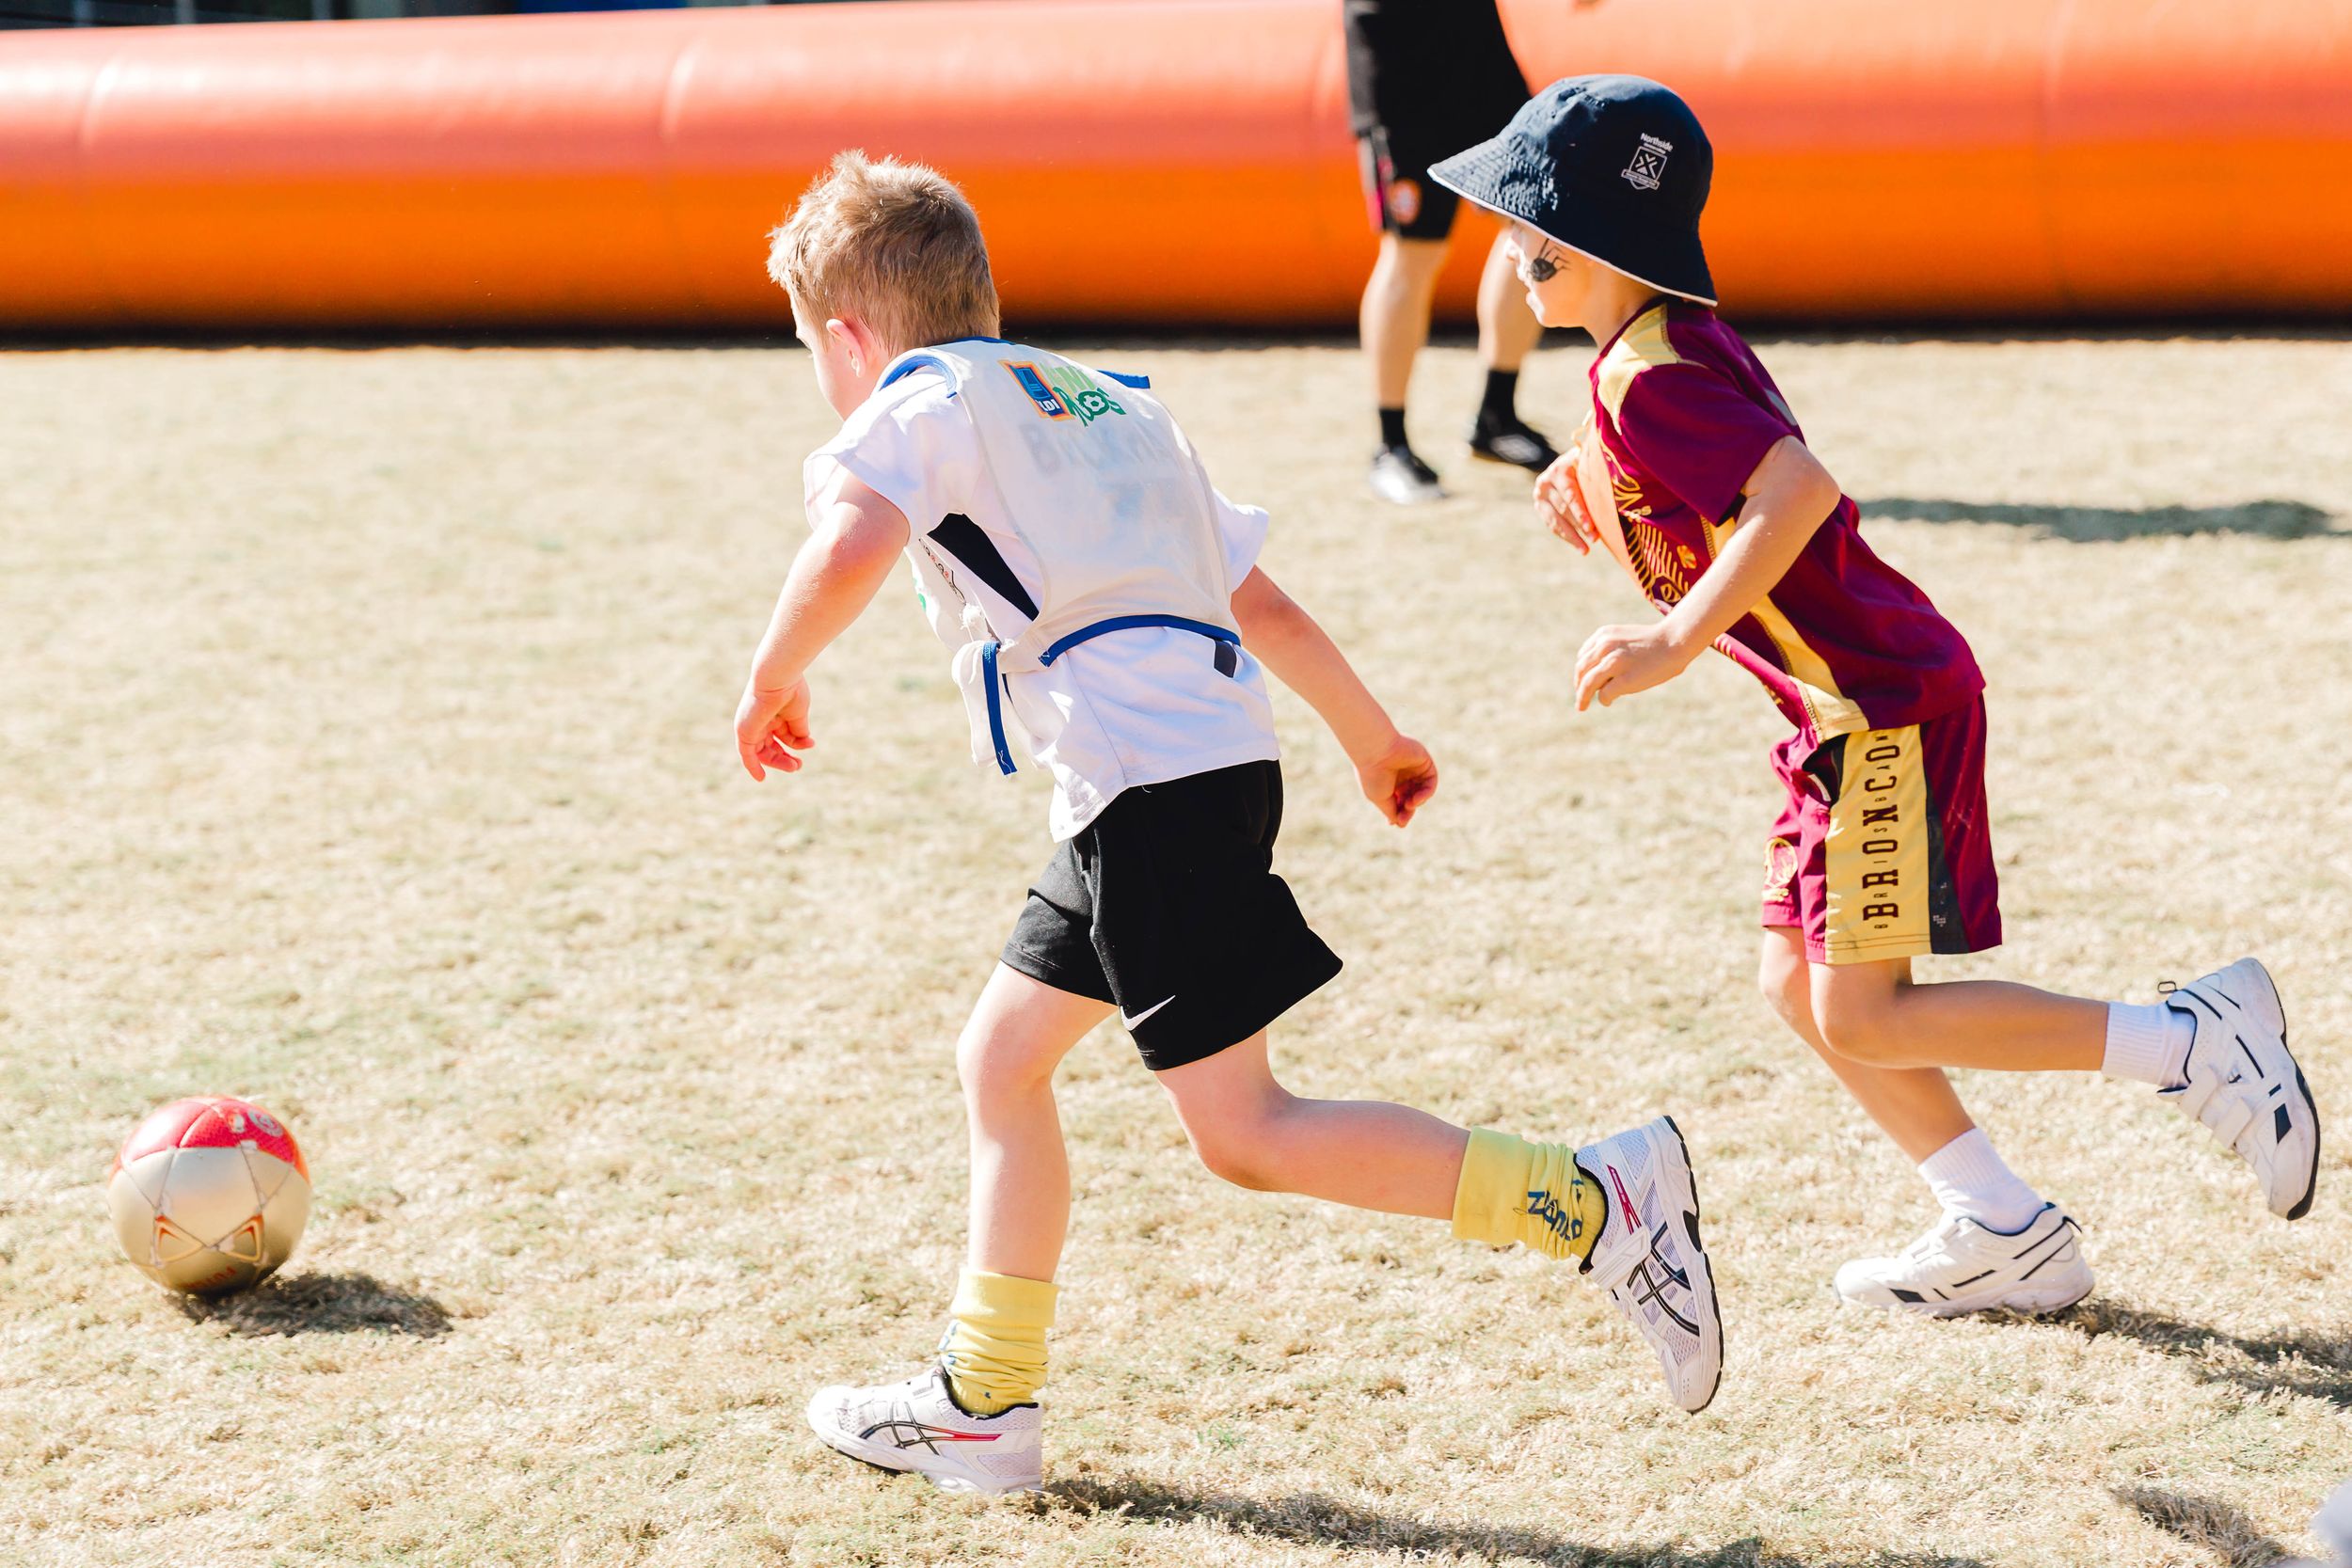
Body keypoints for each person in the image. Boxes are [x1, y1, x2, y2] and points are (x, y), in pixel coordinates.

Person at [733, 150, 1724, 1497]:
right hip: (1184, 774)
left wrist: (772, 675)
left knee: (1246, 1128)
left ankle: (1594, 1199)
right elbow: (1257, 598)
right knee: (1001, 1060)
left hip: (1152, 789)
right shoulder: (1108, 404)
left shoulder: (913, 401)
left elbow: (851, 535)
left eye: (813, 351)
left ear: (849, 339)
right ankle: (983, 1402)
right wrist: (1371, 735)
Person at [1427, 77, 2320, 1318]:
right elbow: (1708, 483)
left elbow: (1793, 490)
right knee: (1796, 986)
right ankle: (2003, 1228)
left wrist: (1673, 638)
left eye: (1524, 227)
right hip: (1839, 717)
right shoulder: (1657, 349)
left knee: (1863, 1008)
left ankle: (2190, 1040)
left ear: (1583, 241)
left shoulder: (1648, 377)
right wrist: (1593, 486)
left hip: (1878, 710)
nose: (1506, 249)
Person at [1344, 0, 1559, 503]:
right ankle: (1391, 446)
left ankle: (1496, 417)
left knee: (1535, 221)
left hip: (1476, 52)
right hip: (1399, 59)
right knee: (1415, 250)